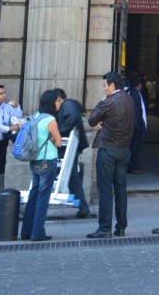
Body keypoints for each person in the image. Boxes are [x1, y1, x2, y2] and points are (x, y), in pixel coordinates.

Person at [87, 71, 134, 239]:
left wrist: (101, 102)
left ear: (112, 85)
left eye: (104, 85)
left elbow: (91, 120)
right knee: (120, 189)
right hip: (124, 149)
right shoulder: (129, 98)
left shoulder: (108, 101)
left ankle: (104, 228)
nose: (103, 88)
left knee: (105, 189)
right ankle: (121, 227)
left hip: (108, 149)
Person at [20, 89, 62, 242]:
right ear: (51, 103)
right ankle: (38, 233)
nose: (60, 103)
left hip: (35, 160)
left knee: (33, 195)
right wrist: (53, 139)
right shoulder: (50, 119)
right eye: (58, 101)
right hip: (47, 160)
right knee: (43, 198)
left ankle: (26, 231)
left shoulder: (36, 116)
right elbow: (59, 142)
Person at [54, 87, 92, 219]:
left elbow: (73, 118)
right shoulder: (68, 106)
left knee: (67, 177)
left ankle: (83, 208)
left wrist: (58, 133)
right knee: (72, 178)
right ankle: (83, 208)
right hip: (68, 147)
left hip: (69, 147)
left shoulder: (68, 105)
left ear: (59, 99)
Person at [126, 74, 147, 174]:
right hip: (135, 125)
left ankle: (130, 165)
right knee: (134, 147)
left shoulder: (129, 92)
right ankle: (132, 166)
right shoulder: (137, 95)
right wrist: (142, 127)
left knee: (130, 146)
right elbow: (140, 113)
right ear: (140, 84)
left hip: (129, 124)